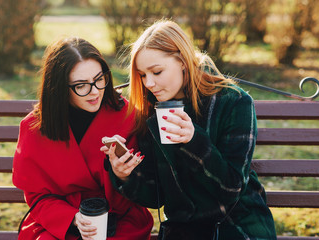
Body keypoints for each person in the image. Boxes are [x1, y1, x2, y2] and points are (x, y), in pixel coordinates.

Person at [102, 20, 277, 240]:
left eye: (157, 72)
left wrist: (194, 140)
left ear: (183, 61)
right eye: (143, 75)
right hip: (184, 229)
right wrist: (125, 176)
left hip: (237, 225)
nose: (149, 83)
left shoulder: (234, 101)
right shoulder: (151, 109)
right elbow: (156, 198)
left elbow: (231, 189)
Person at [12, 37, 153, 240]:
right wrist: (73, 218)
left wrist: (123, 176)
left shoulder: (127, 116)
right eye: (81, 85)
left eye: (99, 79)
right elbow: (37, 197)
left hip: (120, 220)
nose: (95, 92)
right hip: (59, 221)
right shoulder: (34, 128)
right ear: (59, 88)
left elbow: (139, 193)